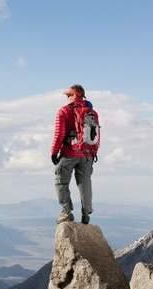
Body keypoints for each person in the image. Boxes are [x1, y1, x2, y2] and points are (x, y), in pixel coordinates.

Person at [50, 84, 100, 224]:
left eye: (68, 95)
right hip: (87, 154)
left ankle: (66, 212)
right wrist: (93, 153)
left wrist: (54, 152)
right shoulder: (92, 112)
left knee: (61, 181)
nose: (67, 98)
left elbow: (59, 134)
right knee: (85, 183)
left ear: (74, 95)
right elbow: (96, 135)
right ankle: (86, 214)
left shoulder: (64, 111)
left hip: (69, 153)